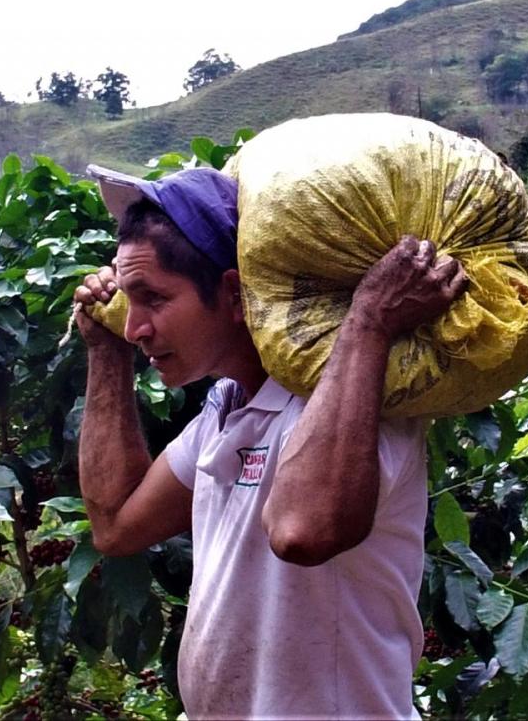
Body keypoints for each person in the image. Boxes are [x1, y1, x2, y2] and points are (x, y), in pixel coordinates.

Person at [74, 164, 467, 720]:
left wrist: (370, 322)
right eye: (129, 302)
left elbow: (303, 532)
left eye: (154, 299)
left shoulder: (355, 400)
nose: (135, 326)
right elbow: (116, 522)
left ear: (233, 294)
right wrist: (104, 351)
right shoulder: (226, 408)